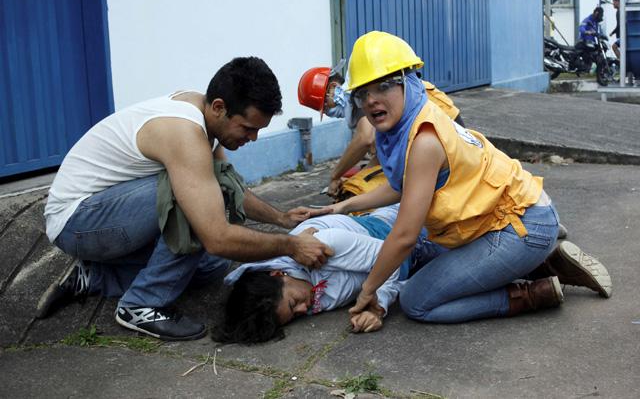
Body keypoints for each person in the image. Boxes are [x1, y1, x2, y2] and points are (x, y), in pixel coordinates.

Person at [325, 31, 612, 327]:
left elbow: (404, 236)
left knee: (415, 301)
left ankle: (532, 292)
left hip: (521, 226)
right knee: (425, 254)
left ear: (408, 81)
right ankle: (548, 266)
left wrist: (368, 291)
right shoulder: (415, 118)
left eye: (384, 86)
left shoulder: (424, 140)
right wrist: (342, 208)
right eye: (363, 93)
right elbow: (401, 188)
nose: (372, 100)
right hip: (512, 216)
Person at [37, 57, 334, 341]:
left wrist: (281, 218)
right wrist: (291, 246)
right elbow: (217, 234)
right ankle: (141, 305)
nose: (253, 138)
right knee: (198, 210)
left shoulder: (204, 112)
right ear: (219, 107)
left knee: (213, 265)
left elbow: (227, 186)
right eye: (248, 128)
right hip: (78, 220)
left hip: (110, 214)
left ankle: (95, 277)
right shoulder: (184, 131)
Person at [214, 204, 446, 344]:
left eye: (294, 303)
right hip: (410, 262)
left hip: (419, 233)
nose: (304, 310)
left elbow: (394, 258)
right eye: (295, 316)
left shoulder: (320, 247)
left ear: (278, 274)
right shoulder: (282, 291)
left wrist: (378, 305)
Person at [298, 62, 463, 199]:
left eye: (325, 107)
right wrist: (359, 178)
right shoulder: (365, 102)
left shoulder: (363, 95)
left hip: (449, 141)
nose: (328, 112)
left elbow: (365, 139)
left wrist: (335, 176)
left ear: (334, 88)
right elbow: (385, 155)